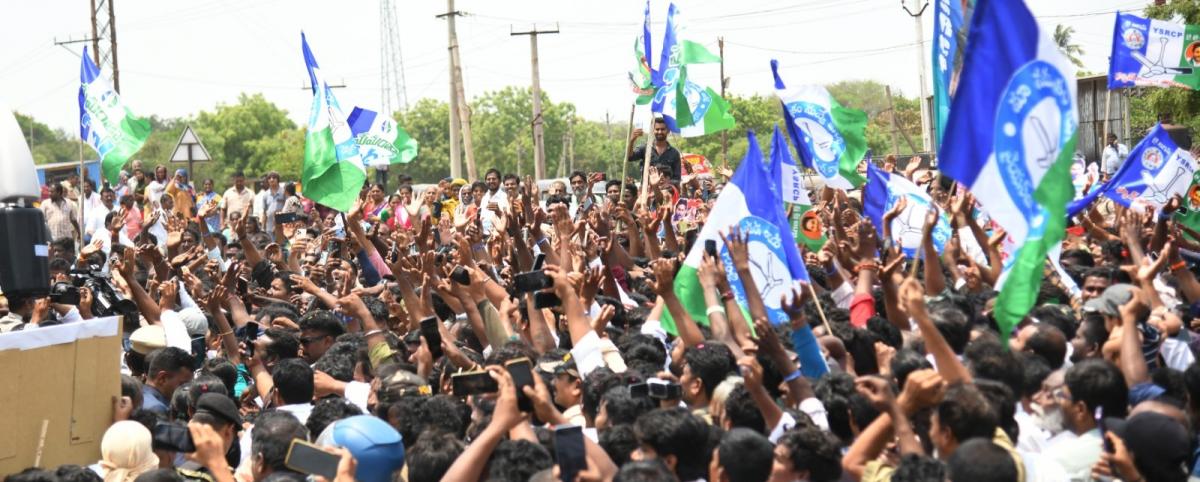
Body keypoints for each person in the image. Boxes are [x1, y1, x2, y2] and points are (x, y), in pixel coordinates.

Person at [627, 117, 683, 185]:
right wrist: (632, 140)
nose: (660, 132)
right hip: (646, 191)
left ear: (668, 130)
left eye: (662, 129)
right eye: (657, 129)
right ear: (653, 130)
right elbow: (630, 157)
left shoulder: (674, 153)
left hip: (666, 192)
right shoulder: (645, 148)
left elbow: (677, 179)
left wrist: (667, 183)